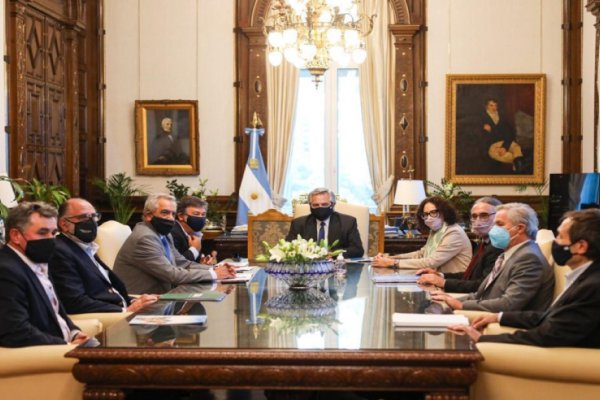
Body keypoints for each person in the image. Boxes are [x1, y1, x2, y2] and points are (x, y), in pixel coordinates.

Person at [451, 209, 600, 348]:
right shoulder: (584, 277)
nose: (555, 242)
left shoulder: (593, 286)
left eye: (560, 236)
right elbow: (548, 317)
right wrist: (499, 317)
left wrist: (482, 339)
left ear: (581, 246)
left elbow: (549, 334)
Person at [432, 202, 555, 312]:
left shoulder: (528, 258)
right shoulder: (507, 253)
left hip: (507, 323)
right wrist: (448, 298)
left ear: (520, 229)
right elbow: (480, 293)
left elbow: (509, 304)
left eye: (499, 224)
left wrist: (461, 305)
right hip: (485, 310)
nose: (493, 229)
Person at [0, 202, 91, 347]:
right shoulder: (6, 271)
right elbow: (16, 331)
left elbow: (56, 313)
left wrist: (74, 333)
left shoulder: (36, 261)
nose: (50, 239)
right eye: (42, 233)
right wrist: (66, 345)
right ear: (16, 235)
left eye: (54, 233)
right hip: (45, 355)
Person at [49, 198, 158, 314]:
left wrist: (134, 300)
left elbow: (105, 291)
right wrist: (125, 311)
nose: (91, 222)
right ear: (64, 224)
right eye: (83, 217)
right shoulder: (60, 251)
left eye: (94, 216)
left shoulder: (86, 248)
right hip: (106, 318)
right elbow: (75, 301)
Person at [113, 193, 235, 294]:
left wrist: (215, 268)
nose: (171, 218)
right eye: (165, 213)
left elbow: (182, 263)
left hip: (164, 295)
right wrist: (213, 274)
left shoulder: (163, 234)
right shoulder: (145, 238)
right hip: (141, 301)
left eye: (173, 214)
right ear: (148, 215)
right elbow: (172, 274)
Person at [416, 197, 503, 292]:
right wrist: (440, 275)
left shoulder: (498, 246)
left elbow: (483, 285)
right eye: (474, 216)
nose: (478, 220)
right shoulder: (483, 243)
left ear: (499, 218)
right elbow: (469, 275)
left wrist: (443, 282)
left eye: (484, 215)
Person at [372, 196, 471, 274]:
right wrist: (390, 258)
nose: (428, 218)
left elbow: (431, 262)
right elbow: (421, 254)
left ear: (444, 212)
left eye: (433, 212)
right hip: (435, 280)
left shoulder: (454, 232)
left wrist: (392, 263)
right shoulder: (436, 231)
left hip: (453, 284)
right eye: (425, 214)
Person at [286, 188, 364, 258]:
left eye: (324, 204)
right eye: (316, 205)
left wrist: (333, 254)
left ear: (333, 204)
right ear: (310, 206)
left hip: (337, 267)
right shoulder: (298, 224)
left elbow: (357, 250)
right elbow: (288, 248)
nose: (320, 207)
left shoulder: (347, 222)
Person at [482, 98, 525, 173]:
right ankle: (519, 163)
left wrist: (505, 147)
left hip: (505, 142)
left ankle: (519, 164)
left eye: (495, 106)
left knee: (516, 147)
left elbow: (510, 132)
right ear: (486, 106)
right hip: (492, 146)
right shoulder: (481, 118)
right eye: (491, 105)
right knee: (507, 155)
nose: (494, 108)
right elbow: (474, 132)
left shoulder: (502, 117)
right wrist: (481, 127)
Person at [172, 195, 217, 264]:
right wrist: (194, 249)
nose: (201, 218)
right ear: (181, 216)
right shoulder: (173, 233)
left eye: (203, 214)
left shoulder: (195, 233)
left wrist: (201, 262)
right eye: (196, 214)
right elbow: (177, 264)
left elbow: (193, 263)